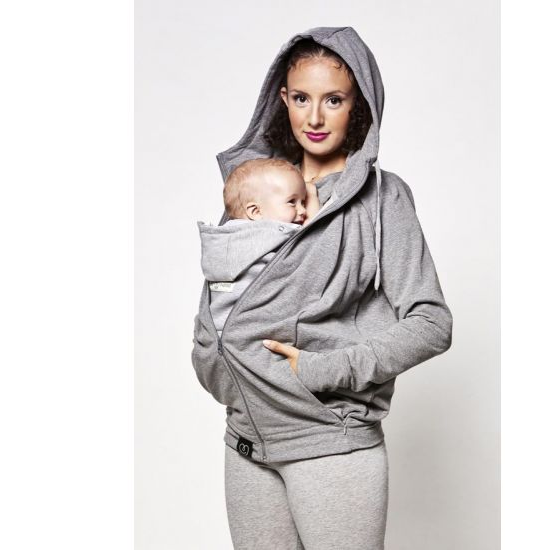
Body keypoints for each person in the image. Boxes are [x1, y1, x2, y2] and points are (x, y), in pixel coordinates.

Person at [191, 27, 453, 550]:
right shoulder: (261, 186)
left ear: (358, 106)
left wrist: (323, 370)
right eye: (301, 99)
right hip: (246, 443)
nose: (314, 118)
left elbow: (432, 323)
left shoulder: (382, 199)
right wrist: (208, 356)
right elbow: (225, 294)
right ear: (282, 99)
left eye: (333, 100)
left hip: (330, 444)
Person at [197, 157, 321, 338]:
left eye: (303, 202)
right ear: (256, 211)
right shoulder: (274, 234)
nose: (302, 210)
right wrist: (313, 197)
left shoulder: (220, 239)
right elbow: (313, 239)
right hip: (259, 334)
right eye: (292, 202)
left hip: (214, 337)